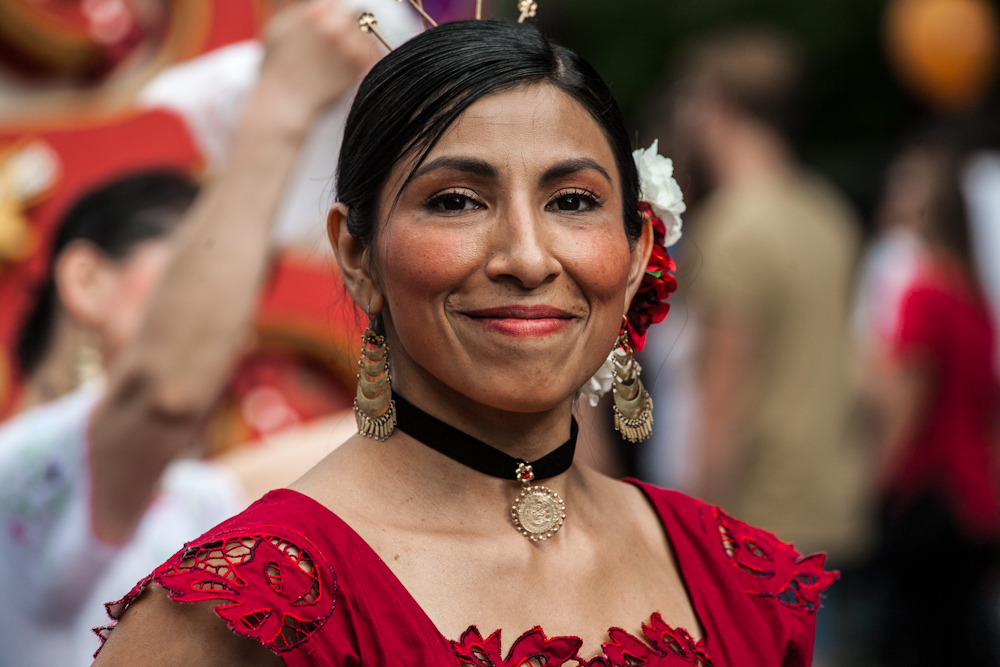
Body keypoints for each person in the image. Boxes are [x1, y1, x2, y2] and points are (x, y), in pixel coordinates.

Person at [93, 18, 837, 667]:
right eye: (456, 201)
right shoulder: (245, 612)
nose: (527, 256)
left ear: (639, 247)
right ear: (357, 257)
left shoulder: (738, 577)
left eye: (573, 201)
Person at [0, 3, 377, 665]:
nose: (229, 330)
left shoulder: (188, 501)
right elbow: (164, 388)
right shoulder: (13, 482)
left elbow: (408, 444)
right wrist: (280, 106)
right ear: (87, 280)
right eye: (194, 279)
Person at [670, 30, 868, 562]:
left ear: (720, 106)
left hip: (758, 519)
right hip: (835, 503)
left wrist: (694, 535)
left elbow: (722, 403)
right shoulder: (829, 212)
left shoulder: (733, 229)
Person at [871, 137, 1000, 667]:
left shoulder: (924, 294)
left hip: (930, 495)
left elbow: (908, 406)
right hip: (974, 494)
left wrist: (876, 482)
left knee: (915, 639)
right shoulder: (971, 294)